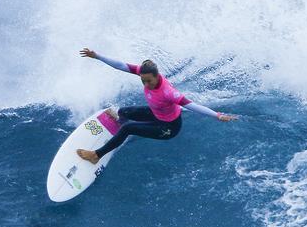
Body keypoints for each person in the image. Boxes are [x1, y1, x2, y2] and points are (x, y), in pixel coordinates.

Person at [76, 48, 237, 164]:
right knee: (123, 111)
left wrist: (217, 115)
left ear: (156, 76)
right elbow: (120, 65)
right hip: (157, 114)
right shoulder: (144, 72)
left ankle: (96, 155)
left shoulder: (168, 92)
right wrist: (97, 56)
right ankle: (125, 127)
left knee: (127, 128)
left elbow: (191, 105)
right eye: (143, 80)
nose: (146, 84)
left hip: (168, 128)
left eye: (149, 81)